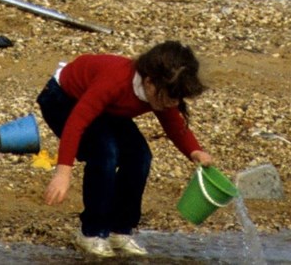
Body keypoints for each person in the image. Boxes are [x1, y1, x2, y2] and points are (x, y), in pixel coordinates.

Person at [37, 41, 214, 257]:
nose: (172, 104)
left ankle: (119, 230)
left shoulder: (161, 93)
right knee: (105, 152)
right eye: (170, 97)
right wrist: (63, 172)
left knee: (140, 156)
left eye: (177, 99)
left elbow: (174, 124)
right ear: (149, 82)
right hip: (62, 99)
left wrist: (194, 151)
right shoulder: (116, 81)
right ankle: (92, 232)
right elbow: (77, 122)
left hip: (107, 110)